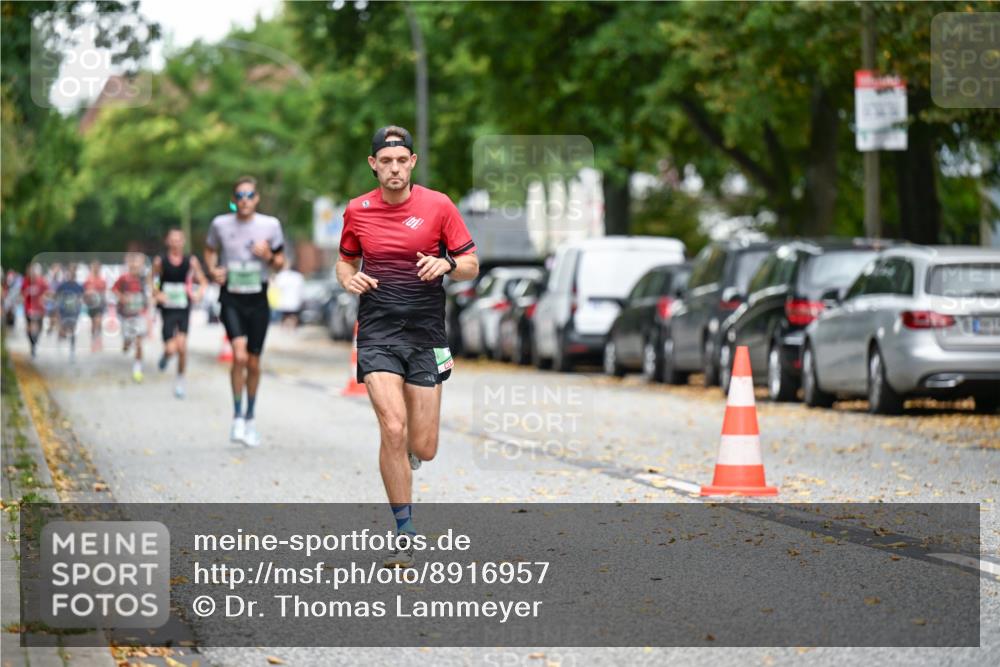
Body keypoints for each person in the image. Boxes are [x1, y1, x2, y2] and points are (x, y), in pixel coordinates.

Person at [335, 125, 479, 568]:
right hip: (378, 332)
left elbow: (471, 264)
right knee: (393, 428)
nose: (394, 169)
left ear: (412, 162)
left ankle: (411, 452)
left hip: (426, 335)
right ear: (373, 164)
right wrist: (349, 279)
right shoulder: (357, 210)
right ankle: (404, 530)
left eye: (402, 161)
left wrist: (446, 264)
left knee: (425, 445)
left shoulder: (439, 206)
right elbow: (345, 261)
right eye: (386, 161)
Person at [204, 176, 286, 447]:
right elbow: (209, 249)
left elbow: (281, 263)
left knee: (253, 362)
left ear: (257, 198)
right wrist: (213, 269)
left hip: (258, 298)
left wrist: (269, 256)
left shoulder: (270, 225)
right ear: (233, 199)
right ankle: (237, 416)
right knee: (238, 356)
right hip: (231, 297)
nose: (244, 200)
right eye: (239, 196)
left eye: (249, 195)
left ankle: (250, 417)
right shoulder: (220, 224)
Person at [152, 229, 208, 399]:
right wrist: (157, 293)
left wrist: (199, 293)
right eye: (173, 240)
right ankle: (165, 357)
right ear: (167, 242)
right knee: (171, 349)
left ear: (183, 242)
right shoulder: (160, 261)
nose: (176, 243)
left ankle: (180, 381)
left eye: (179, 240)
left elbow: (203, 281)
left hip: (183, 308)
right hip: (167, 309)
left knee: (182, 347)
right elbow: (153, 280)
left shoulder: (191, 261)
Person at [113, 252, 149, 382]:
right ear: (129, 265)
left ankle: (137, 370)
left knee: (139, 341)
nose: (135, 266)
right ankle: (126, 342)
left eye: (138, 263)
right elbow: (114, 289)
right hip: (126, 315)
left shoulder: (144, 279)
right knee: (128, 341)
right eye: (133, 263)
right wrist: (122, 297)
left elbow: (152, 289)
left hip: (139, 314)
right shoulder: (124, 278)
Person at [53, 264, 84, 361]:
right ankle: (60, 341)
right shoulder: (62, 286)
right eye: (70, 272)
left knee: (73, 330)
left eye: (73, 272)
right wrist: (57, 310)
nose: (71, 274)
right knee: (63, 330)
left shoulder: (79, 286)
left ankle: (72, 351)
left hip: (74, 311)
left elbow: (81, 298)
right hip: (63, 311)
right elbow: (56, 297)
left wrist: (78, 308)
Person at [21, 263, 49, 358]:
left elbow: (47, 292)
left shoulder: (41, 281)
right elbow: (22, 293)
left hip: (39, 308)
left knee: (39, 328)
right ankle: (32, 345)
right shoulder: (25, 281)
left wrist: (44, 298)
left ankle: (35, 342)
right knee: (29, 328)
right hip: (28, 308)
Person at [83, 261, 107, 351]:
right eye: (94, 267)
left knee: (98, 321)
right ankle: (93, 340)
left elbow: (104, 292)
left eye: (97, 267)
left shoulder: (102, 280)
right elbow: (85, 292)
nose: (96, 269)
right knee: (93, 323)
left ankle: (99, 339)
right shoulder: (88, 280)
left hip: (100, 304)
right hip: (91, 304)